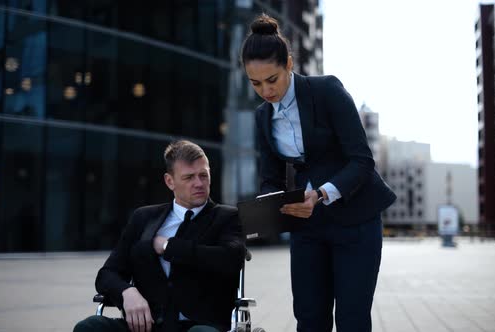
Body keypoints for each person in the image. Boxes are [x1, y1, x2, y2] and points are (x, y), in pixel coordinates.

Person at [240, 14, 397, 332]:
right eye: (255, 83)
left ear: (289, 64)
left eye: (272, 79)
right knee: (310, 319)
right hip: (307, 226)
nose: (266, 91)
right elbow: (271, 175)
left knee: (352, 320)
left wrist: (322, 192)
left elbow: (362, 161)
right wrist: (268, 206)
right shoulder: (261, 118)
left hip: (356, 220)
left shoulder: (327, 91)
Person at [74, 140, 246, 332]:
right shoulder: (143, 218)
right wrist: (127, 292)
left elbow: (231, 259)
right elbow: (107, 275)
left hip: (199, 325)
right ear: (169, 181)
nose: (199, 183)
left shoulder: (227, 217)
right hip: (147, 325)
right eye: (189, 177)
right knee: (89, 327)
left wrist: (168, 247)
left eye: (203, 175)